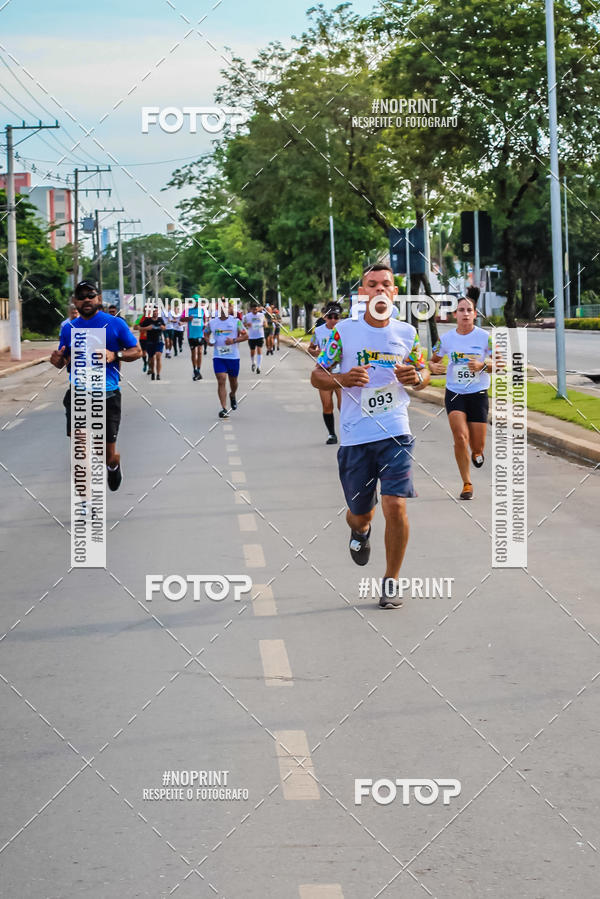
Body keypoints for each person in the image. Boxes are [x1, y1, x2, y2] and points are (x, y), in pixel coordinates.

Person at [311, 263, 430, 609]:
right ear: (363, 293)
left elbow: (423, 373)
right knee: (361, 513)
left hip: (395, 430)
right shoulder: (343, 333)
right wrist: (342, 379)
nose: (379, 290)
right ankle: (360, 531)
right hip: (354, 436)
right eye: (372, 285)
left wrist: (417, 378)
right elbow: (317, 375)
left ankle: (391, 580)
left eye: (386, 285)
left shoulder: (407, 333)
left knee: (395, 504)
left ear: (394, 292)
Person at [50, 280, 141, 492]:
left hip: (107, 396)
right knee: (81, 452)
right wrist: (57, 360)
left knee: (105, 455)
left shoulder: (115, 324)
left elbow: (137, 351)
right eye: (81, 296)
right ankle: (87, 501)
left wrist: (114, 354)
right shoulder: (69, 328)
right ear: (75, 302)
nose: (86, 299)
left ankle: (113, 465)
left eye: (90, 295)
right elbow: (64, 360)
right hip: (78, 395)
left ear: (98, 298)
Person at [428, 287, 494, 500]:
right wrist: (432, 367)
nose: (465, 314)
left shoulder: (485, 337)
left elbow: (499, 362)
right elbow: (432, 360)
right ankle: (467, 483)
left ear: (475, 314)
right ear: (454, 314)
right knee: (459, 436)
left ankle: (477, 452)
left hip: (478, 392)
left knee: (477, 445)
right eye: (461, 310)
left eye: (469, 310)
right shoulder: (447, 339)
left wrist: (483, 365)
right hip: (455, 392)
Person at [204, 301, 248, 418]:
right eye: (221, 307)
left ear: (230, 309)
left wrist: (233, 341)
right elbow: (206, 333)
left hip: (233, 357)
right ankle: (224, 408)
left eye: (227, 307)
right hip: (219, 357)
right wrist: (208, 342)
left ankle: (232, 394)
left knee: (233, 382)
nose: (224, 309)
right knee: (221, 379)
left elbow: (245, 335)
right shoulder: (212, 323)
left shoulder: (236, 322)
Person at [308, 301, 343, 444]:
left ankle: (348, 433)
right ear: (325, 317)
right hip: (324, 372)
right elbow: (311, 347)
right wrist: (317, 353)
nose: (333, 320)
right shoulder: (318, 331)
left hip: (341, 373)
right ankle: (331, 434)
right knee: (327, 405)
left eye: (336, 317)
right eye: (330, 317)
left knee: (343, 406)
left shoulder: (344, 330)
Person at [138, 306, 166, 380]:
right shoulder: (147, 320)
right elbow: (139, 328)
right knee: (151, 358)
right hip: (150, 342)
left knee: (158, 356)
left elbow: (164, 327)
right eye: (154, 311)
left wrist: (162, 327)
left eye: (156, 311)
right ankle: (153, 372)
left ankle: (158, 374)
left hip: (159, 341)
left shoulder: (160, 319)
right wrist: (146, 328)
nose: (155, 313)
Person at [182, 299, 206, 380]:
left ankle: (198, 370)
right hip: (191, 335)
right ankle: (194, 369)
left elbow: (205, 320)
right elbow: (181, 319)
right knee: (193, 353)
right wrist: (188, 318)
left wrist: (205, 325)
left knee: (199, 352)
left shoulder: (202, 310)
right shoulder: (187, 310)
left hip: (200, 334)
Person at [243, 301, 265, 373]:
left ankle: (259, 366)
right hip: (251, 336)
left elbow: (265, 323)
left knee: (259, 350)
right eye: (253, 309)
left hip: (260, 335)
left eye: (256, 309)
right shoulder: (247, 316)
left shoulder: (261, 315)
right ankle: (253, 363)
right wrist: (246, 325)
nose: (255, 311)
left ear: (258, 308)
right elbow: (243, 324)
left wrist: (264, 324)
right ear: (251, 309)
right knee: (252, 351)